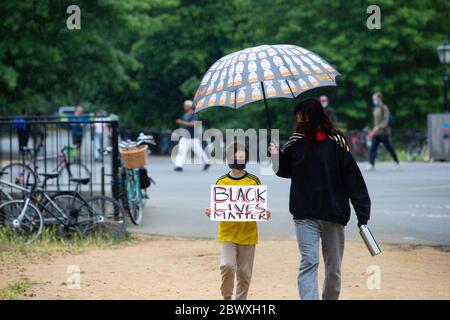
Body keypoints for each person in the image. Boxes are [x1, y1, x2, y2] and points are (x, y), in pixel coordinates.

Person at [269, 98, 371, 300]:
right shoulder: (295, 141)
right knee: (309, 261)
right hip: (304, 213)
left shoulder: (337, 141)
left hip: (333, 213)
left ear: (313, 116)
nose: (299, 122)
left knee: (333, 269)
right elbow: (284, 171)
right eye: (297, 118)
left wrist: (362, 213)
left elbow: (352, 178)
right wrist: (275, 155)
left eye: (302, 118)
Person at [204, 142, 271, 300]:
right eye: (234, 157)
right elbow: (219, 207)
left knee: (245, 273)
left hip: (248, 234)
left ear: (246, 159)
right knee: (227, 265)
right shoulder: (221, 182)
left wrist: (264, 212)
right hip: (228, 232)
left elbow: (256, 208)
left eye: (241, 157)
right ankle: (227, 298)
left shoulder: (253, 181)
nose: (238, 159)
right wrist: (212, 211)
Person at [366, 92, 400, 170]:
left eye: (374, 99)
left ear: (379, 98)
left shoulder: (384, 107)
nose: (373, 100)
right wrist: (375, 128)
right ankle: (371, 164)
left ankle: (397, 162)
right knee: (373, 148)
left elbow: (386, 120)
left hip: (384, 133)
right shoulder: (376, 108)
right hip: (376, 133)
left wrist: (378, 127)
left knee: (389, 148)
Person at [174, 100, 210, 171]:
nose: (184, 107)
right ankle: (179, 165)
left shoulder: (193, 115)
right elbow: (184, 126)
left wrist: (181, 122)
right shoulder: (185, 115)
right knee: (181, 150)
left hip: (193, 137)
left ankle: (207, 162)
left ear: (189, 106)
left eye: (185, 105)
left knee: (198, 151)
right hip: (185, 137)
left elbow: (193, 124)